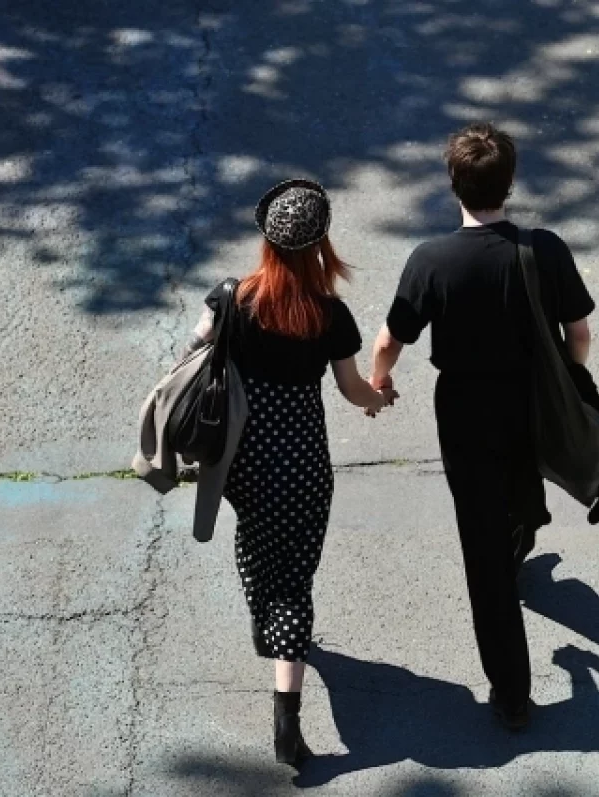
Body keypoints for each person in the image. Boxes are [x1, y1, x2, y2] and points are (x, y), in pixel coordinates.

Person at [369, 123, 597, 731]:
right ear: (509, 183)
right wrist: (572, 378)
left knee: (482, 549)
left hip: (466, 409)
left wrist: (379, 383)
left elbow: (390, 340)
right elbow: (578, 333)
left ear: (454, 184)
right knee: (523, 475)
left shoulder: (432, 260)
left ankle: (512, 694)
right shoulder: (544, 249)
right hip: (530, 398)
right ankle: (523, 525)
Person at [183, 179, 394, 766]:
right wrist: (379, 398)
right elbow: (352, 390)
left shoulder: (231, 298)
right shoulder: (329, 314)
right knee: (295, 583)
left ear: (267, 242)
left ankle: (262, 622)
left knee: (254, 538)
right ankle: (286, 722)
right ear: (320, 247)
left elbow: (191, 355)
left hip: (241, 460)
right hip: (302, 467)